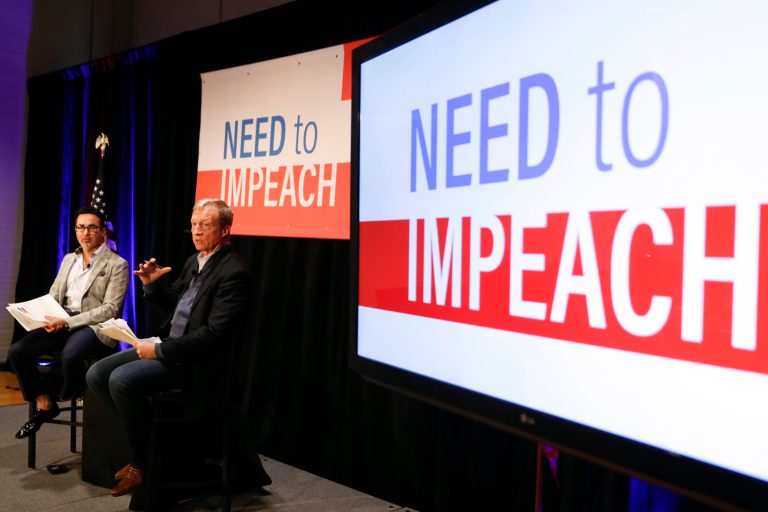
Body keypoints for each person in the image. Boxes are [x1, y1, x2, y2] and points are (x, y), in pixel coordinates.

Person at [85, 198, 252, 498]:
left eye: (206, 225)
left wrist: (160, 352)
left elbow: (214, 335)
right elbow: (175, 307)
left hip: (199, 362)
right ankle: (154, 446)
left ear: (226, 230)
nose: (197, 231)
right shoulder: (195, 261)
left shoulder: (234, 272)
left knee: (120, 380)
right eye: (193, 225)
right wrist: (151, 286)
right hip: (170, 346)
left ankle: (143, 462)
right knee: (97, 373)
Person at [8, 206, 129, 439]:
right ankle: (45, 403)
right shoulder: (68, 259)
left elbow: (110, 309)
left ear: (103, 231)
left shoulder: (117, 264)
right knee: (18, 351)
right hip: (61, 318)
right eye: (81, 227)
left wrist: (67, 321)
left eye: (92, 227)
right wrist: (43, 315)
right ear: (75, 230)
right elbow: (54, 295)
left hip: (94, 325)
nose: (86, 232)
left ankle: (69, 393)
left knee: (71, 356)